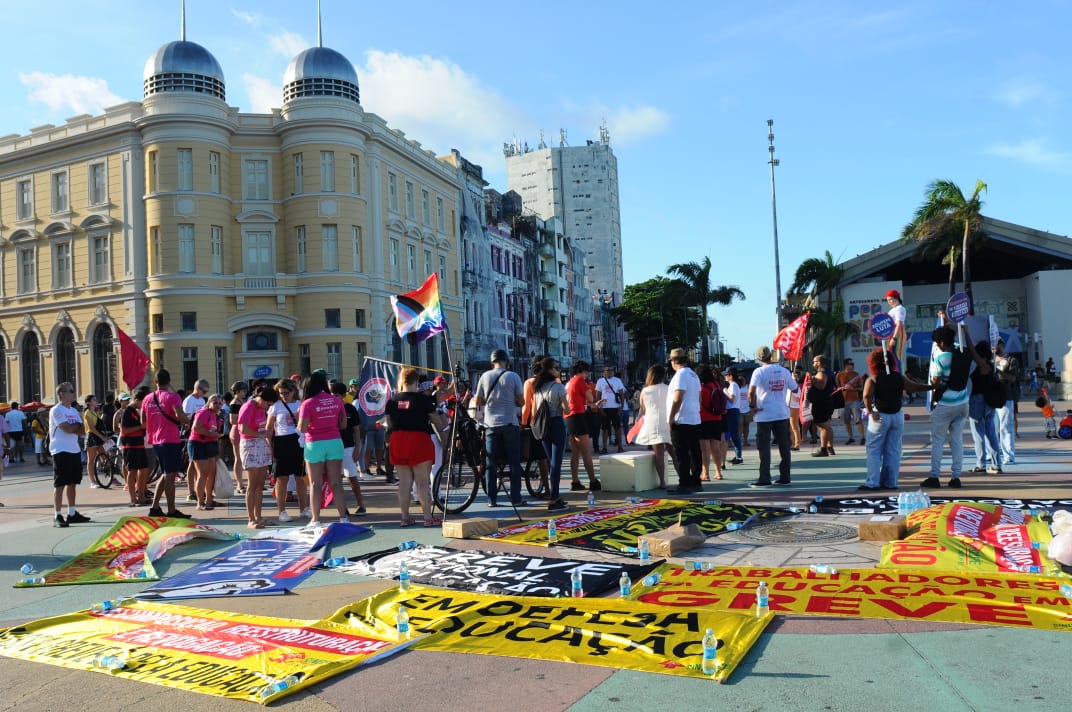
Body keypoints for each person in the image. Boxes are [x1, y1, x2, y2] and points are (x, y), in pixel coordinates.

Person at [859, 348, 932, 490]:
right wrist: (932, 387)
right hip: (897, 416)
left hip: (880, 416)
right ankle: (891, 482)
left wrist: (870, 411)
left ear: (874, 363)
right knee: (893, 451)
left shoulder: (873, 378)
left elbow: (866, 396)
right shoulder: (898, 377)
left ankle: (872, 482)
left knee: (874, 451)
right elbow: (914, 387)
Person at [385, 367, 445, 527]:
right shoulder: (423, 400)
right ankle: (427, 518)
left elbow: (389, 423)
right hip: (419, 439)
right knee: (422, 482)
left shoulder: (392, 400)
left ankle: (405, 518)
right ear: (416, 381)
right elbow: (437, 422)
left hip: (398, 439)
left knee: (404, 482)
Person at [921, 325, 975, 489]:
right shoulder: (963, 352)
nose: (937, 345)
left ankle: (934, 476)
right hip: (963, 402)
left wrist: (929, 391)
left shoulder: (941, 358)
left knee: (937, 441)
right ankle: (956, 477)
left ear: (943, 342)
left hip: (945, 404)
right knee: (957, 441)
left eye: (938, 342)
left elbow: (936, 382)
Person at [473, 348, 527, 507]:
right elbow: (521, 401)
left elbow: (478, 402)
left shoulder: (484, 376)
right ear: (506, 361)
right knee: (514, 462)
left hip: (491, 425)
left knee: (490, 463)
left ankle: (492, 500)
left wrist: (491, 402)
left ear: (492, 362)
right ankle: (516, 498)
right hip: (510, 423)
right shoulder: (513, 376)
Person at [297, 371, 349, 528]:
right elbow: (343, 425)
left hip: (315, 443)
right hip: (334, 441)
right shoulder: (336, 400)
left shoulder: (307, 403)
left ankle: (316, 520)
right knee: (336, 483)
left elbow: (302, 428)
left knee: (315, 483)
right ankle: (343, 518)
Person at [142, 368, 191, 518]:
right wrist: (187, 421)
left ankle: (155, 507)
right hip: (170, 439)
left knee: (165, 474)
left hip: (155, 441)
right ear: (169, 382)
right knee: (170, 477)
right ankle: (171, 510)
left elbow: (143, 422)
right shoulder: (173, 396)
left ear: (155, 382)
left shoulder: (147, 398)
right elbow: (179, 414)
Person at [748, 345, 798, 487]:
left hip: (764, 413)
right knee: (784, 446)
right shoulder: (784, 371)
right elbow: (795, 388)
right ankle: (785, 477)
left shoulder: (758, 372)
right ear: (771, 356)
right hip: (781, 412)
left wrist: (752, 406)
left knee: (764, 448)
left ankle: (765, 478)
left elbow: (751, 392)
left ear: (758, 358)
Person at [48, 383, 91, 527]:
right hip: (60, 450)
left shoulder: (73, 410)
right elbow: (67, 428)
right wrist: (76, 428)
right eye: (71, 391)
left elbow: (82, 429)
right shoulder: (56, 410)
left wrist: (76, 428)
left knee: (73, 483)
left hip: (74, 450)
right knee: (60, 484)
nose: (74, 393)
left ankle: (72, 513)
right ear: (61, 394)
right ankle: (57, 515)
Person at [531, 357, 569, 511]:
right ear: (549, 370)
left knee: (551, 461)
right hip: (557, 424)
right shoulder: (559, 387)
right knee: (556, 463)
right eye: (556, 368)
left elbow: (534, 411)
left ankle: (556, 496)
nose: (558, 370)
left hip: (542, 427)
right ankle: (553, 499)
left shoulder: (537, 388)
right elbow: (567, 410)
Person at [237, 385, 278, 528]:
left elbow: (265, 428)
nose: (268, 408)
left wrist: (268, 444)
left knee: (260, 485)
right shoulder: (248, 407)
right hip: (250, 445)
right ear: (261, 398)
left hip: (261, 444)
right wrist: (261, 435)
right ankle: (251, 519)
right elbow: (243, 428)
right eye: (267, 404)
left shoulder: (261, 408)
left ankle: (259, 517)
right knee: (252, 485)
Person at [267, 378, 308, 523]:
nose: (284, 395)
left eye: (286, 393)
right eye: (281, 393)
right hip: (281, 441)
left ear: (293, 391)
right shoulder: (276, 406)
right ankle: (282, 511)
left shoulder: (300, 404)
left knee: (300, 477)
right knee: (282, 478)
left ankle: (303, 509)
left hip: (298, 441)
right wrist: (269, 446)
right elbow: (269, 428)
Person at [666, 348, 703, 495]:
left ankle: (684, 482)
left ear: (674, 361)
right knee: (694, 451)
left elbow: (678, 397)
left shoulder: (680, 375)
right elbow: (699, 397)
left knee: (681, 452)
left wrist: (671, 417)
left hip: (681, 419)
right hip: (694, 417)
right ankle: (696, 481)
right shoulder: (693, 375)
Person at [965, 340, 1003, 475]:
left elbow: (973, 353)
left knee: (978, 434)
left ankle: (981, 464)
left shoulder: (982, 365)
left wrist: (967, 335)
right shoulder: (991, 366)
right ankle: (996, 464)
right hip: (989, 402)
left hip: (978, 400)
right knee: (991, 433)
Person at [565, 360, 602, 492]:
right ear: (582, 371)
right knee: (587, 450)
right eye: (586, 372)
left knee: (575, 452)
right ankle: (593, 480)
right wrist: (593, 402)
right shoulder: (580, 381)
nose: (587, 375)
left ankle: (575, 481)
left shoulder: (569, 383)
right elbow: (590, 397)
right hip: (578, 417)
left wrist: (593, 404)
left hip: (569, 417)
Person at [331, 381, 366, 515]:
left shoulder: (351, 409)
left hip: (348, 447)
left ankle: (361, 504)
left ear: (344, 395)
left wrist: (357, 449)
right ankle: (342, 507)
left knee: (352, 477)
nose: (334, 398)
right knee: (336, 479)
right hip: (333, 446)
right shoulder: (329, 409)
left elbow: (356, 430)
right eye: (332, 395)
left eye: (337, 395)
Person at [636, 364, 673, 488]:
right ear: (663, 375)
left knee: (659, 454)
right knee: (675, 452)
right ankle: (682, 478)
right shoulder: (669, 388)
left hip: (652, 423)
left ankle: (662, 482)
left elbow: (643, 409)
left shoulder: (645, 391)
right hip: (668, 421)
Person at [520, 355, 551, 499]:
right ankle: (553, 487)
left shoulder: (530, 383)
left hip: (537, 423)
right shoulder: (554, 382)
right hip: (553, 421)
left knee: (540, 458)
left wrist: (523, 423)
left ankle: (547, 488)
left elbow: (527, 406)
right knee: (551, 457)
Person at [189, 394, 223, 510]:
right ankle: (200, 502)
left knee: (211, 474)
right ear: (209, 403)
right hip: (198, 443)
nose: (218, 405)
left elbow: (215, 433)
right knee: (202, 474)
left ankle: (209, 500)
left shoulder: (217, 416)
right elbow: (196, 428)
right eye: (215, 403)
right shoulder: (203, 412)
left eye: (220, 403)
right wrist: (212, 434)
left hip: (210, 445)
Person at [121, 387, 151, 507]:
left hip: (139, 444)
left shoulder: (137, 412)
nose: (144, 406)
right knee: (132, 471)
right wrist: (140, 427)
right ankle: (133, 499)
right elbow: (124, 430)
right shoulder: (128, 411)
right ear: (137, 400)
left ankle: (141, 495)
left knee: (144, 470)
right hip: (130, 445)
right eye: (143, 403)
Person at [181, 379, 209, 504]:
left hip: (203, 434)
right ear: (197, 389)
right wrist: (194, 416)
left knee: (199, 464)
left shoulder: (202, 400)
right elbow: (185, 419)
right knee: (192, 463)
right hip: (191, 434)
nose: (204, 393)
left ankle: (199, 489)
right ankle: (191, 491)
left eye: (206, 392)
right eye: (203, 391)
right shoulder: (188, 401)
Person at [994, 339, 1019, 464]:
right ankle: (991, 455)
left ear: (1001, 345)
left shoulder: (1011, 360)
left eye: (995, 344)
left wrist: (997, 371)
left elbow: (1012, 378)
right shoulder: (989, 359)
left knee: (1005, 427)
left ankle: (1008, 456)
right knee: (992, 428)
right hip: (990, 397)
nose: (993, 347)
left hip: (1005, 396)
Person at [807, 355, 837, 457]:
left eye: (814, 362)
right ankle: (830, 448)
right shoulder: (829, 371)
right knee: (827, 425)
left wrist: (812, 380)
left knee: (823, 426)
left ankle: (823, 449)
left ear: (819, 363)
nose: (813, 364)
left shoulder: (821, 372)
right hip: (827, 401)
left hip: (821, 403)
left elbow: (821, 385)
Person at [697, 366, 724, 481]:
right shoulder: (717, 385)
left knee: (705, 449)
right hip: (717, 418)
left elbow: (698, 403)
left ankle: (706, 474)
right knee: (716, 448)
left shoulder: (701, 388)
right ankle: (718, 472)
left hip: (703, 419)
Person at [83, 395, 112, 488]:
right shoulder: (87, 412)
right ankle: (93, 481)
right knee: (91, 460)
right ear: (89, 402)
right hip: (91, 436)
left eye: (96, 399)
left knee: (105, 455)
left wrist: (105, 436)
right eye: (94, 400)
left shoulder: (96, 412)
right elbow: (92, 428)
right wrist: (102, 437)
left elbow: (100, 426)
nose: (96, 401)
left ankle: (109, 475)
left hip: (99, 436)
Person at [596, 366, 627, 453]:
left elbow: (622, 394)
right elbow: (598, 394)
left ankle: (620, 446)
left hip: (615, 407)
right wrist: (600, 407)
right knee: (605, 428)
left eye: (610, 370)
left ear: (613, 372)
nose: (609, 372)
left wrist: (621, 407)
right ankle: (604, 447)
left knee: (617, 428)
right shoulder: (600, 381)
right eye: (607, 370)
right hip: (604, 408)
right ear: (604, 372)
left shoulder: (617, 380)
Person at [836, 358, 865, 445]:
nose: (852, 366)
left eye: (853, 364)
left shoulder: (857, 375)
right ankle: (850, 437)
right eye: (850, 364)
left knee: (858, 419)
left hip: (854, 400)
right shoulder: (839, 375)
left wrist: (853, 388)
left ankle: (863, 437)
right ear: (846, 365)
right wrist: (842, 388)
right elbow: (837, 388)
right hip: (844, 401)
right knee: (846, 420)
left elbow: (861, 388)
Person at [228, 381, 249, 495]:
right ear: (237, 391)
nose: (245, 392)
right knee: (238, 458)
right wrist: (246, 421)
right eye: (243, 390)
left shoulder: (243, 401)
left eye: (245, 390)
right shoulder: (234, 403)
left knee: (244, 458)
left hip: (243, 430)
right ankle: (239, 484)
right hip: (237, 431)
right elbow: (233, 420)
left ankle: (242, 483)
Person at [722, 368, 744, 465]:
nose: (725, 377)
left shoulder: (733, 385)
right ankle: (737, 455)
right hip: (732, 411)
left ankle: (739, 457)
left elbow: (732, 399)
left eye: (726, 375)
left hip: (733, 411)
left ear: (731, 376)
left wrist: (725, 391)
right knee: (733, 434)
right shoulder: (733, 385)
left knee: (734, 434)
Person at [885, 289, 908, 365]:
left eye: (890, 299)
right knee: (890, 355)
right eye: (887, 300)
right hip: (892, 332)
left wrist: (894, 338)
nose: (889, 302)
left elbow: (899, 324)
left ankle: (899, 375)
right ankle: (893, 373)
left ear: (896, 298)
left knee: (896, 356)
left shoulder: (900, 309)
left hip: (897, 333)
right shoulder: (893, 310)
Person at [787, 367, 805, 451]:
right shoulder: (790, 386)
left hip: (794, 407)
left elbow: (798, 398)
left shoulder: (795, 386)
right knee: (790, 427)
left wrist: (793, 397)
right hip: (789, 407)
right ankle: (791, 443)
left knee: (794, 427)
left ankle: (797, 444)